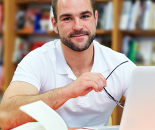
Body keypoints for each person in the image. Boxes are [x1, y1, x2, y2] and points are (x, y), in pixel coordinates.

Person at [0, 0, 136, 129]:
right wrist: (68, 91)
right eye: (67, 18)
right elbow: (5, 117)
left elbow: (154, 110)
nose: (78, 26)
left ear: (95, 19)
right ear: (54, 24)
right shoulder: (37, 60)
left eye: (84, 16)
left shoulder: (119, 64)